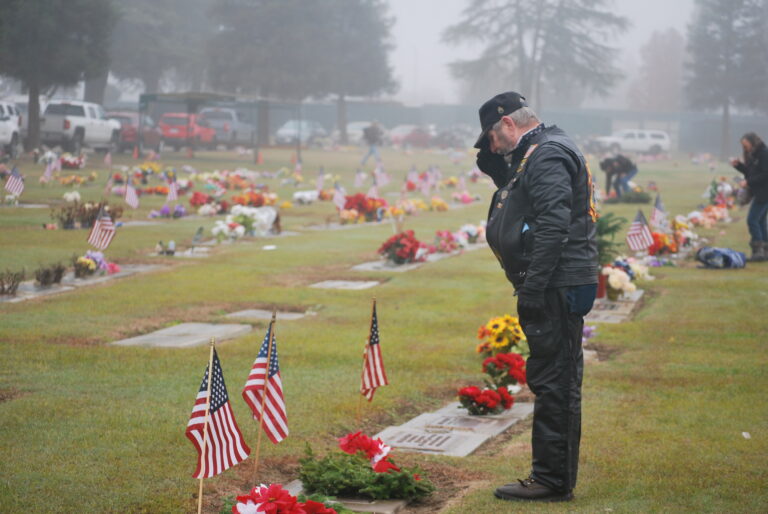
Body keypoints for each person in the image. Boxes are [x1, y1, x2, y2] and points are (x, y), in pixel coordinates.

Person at [474, 91, 598, 502]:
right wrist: (496, 166)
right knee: (552, 376)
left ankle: (552, 480)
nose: (492, 146)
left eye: (492, 137)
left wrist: (533, 286)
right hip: (555, 281)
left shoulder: (545, 155)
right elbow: (525, 201)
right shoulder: (541, 150)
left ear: (508, 123)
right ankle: (551, 475)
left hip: (555, 283)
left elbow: (552, 224)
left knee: (555, 381)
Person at [731, 132, 768, 261]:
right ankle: (765, 253)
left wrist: (748, 182)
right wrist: (739, 166)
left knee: (752, 220)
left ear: (753, 143)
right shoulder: (755, 155)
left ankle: (758, 252)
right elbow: (751, 173)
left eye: (746, 146)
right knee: (761, 221)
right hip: (760, 192)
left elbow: (765, 174)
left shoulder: (764, 153)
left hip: (764, 193)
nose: (745, 149)